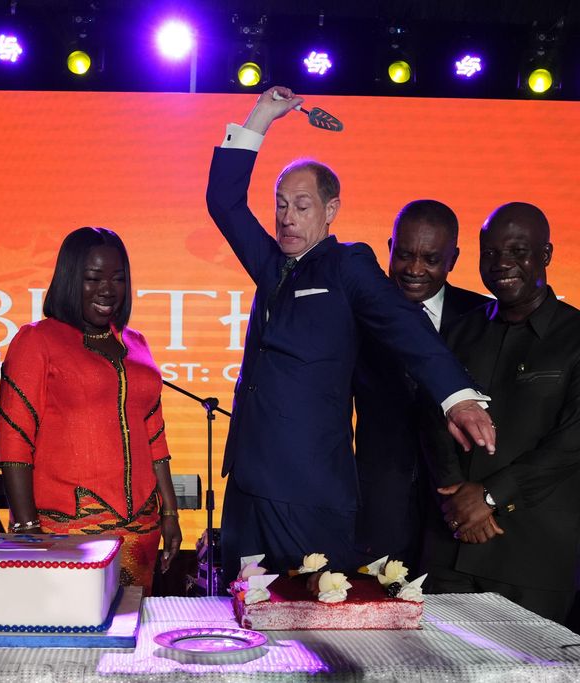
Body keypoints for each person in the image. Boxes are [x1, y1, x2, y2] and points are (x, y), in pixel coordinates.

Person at [205, 86, 496, 582]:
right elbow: (224, 202)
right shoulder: (270, 264)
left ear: (330, 210)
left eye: (301, 205)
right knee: (243, 617)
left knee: (317, 629)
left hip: (310, 488)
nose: (287, 217)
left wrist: (456, 396)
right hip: (249, 483)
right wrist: (262, 116)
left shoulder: (348, 266)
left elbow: (407, 326)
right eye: (280, 205)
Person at [0, 227, 182, 595]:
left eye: (118, 278)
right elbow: (14, 445)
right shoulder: (37, 340)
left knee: (131, 638)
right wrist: (27, 531)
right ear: (69, 279)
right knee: (71, 639)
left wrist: (170, 513)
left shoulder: (136, 343)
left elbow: (155, 438)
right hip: (68, 534)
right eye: (93, 278)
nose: (107, 290)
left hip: (142, 533)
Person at [421, 202, 580, 623]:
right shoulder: (459, 330)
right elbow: (431, 417)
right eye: (489, 253)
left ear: (544, 255)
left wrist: (490, 497)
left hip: (532, 557)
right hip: (450, 546)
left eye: (516, 251)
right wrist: (457, 495)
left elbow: (571, 441)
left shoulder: (575, 337)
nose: (501, 264)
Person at [353, 200, 489, 565]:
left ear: (453, 259)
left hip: (456, 508)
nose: (414, 269)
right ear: (389, 248)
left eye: (430, 258)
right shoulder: (357, 316)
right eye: (405, 254)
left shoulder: (483, 318)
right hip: (378, 504)